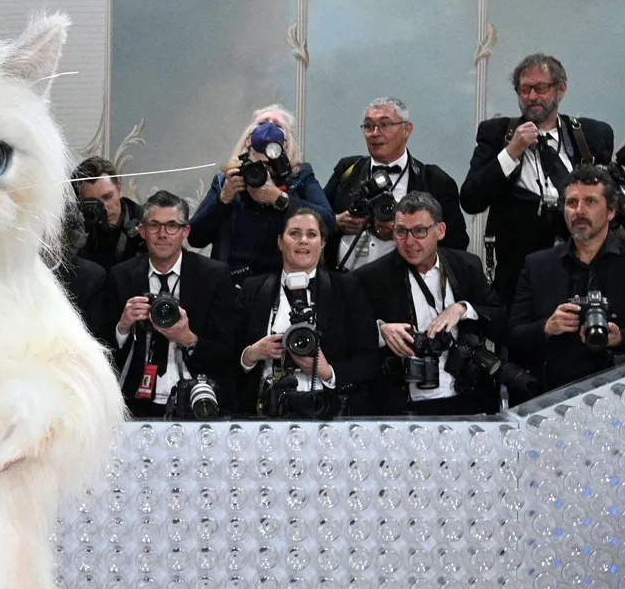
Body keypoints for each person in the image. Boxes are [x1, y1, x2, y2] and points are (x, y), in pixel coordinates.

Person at [461, 54, 616, 304]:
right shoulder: (497, 133)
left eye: (540, 88)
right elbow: (470, 199)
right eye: (524, 90)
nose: (532, 97)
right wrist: (511, 152)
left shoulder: (591, 135)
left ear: (561, 89)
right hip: (520, 277)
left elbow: (610, 196)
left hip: (585, 269)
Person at [95, 190, 243, 417]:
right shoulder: (121, 275)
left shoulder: (213, 275)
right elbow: (103, 351)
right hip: (137, 402)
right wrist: (123, 328)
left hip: (198, 399)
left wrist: (188, 339)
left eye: (172, 226)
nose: (162, 234)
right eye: (154, 226)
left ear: (185, 232)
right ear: (142, 231)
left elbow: (226, 351)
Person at [354, 193, 504, 416]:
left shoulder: (467, 266)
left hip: (468, 399)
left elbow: (502, 321)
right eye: (402, 232)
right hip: (402, 406)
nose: (410, 241)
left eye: (420, 231)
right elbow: (347, 337)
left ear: (440, 231)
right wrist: (379, 330)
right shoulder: (371, 277)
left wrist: (464, 309)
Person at [507, 164, 625, 399]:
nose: (579, 210)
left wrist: (622, 337)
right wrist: (547, 327)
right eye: (571, 203)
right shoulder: (538, 265)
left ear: (611, 211)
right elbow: (514, 337)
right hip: (554, 397)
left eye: (590, 202)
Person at [232, 205, 378, 417]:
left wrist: (328, 372)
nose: (303, 240)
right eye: (294, 233)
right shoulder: (253, 288)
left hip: (329, 410)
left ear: (322, 244)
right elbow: (228, 352)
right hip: (266, 410)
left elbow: (368, 358)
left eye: (311, 234)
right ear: (280, 242)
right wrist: (252, 355)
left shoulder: (347, 288)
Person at [323, 97, 469, 271]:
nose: (375, 133)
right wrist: (337, 221)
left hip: (405, 286)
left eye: (385, 125)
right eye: (369, 126)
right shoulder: (347, 170)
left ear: (407, 129)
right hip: (343, 283)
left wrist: (405, 231)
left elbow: (457, 244)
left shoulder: (434, 180)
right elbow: (315, 216)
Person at [188, 106, 335, 275]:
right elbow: (195, 238)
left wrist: (280, 198)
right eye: (263, 123)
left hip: (279, 284)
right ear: (249, 140)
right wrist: (223, 200)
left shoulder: (300, 177)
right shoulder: (226, 180)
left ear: (286, 144)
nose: (269, 128)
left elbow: (328, 223)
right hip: (231, 285)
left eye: (277, 125)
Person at [71, 156, 147, 270]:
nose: (104, 207)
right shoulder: (73, 232)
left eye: (108, 196)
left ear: (119, 189)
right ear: (79, 203)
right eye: (93, 203)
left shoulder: (146, 223)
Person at [52, 199, 108, 340]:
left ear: (68, 235)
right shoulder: (13, 272)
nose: (46, 238)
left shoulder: (91, 277)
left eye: (54, 230)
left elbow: (94, 336)